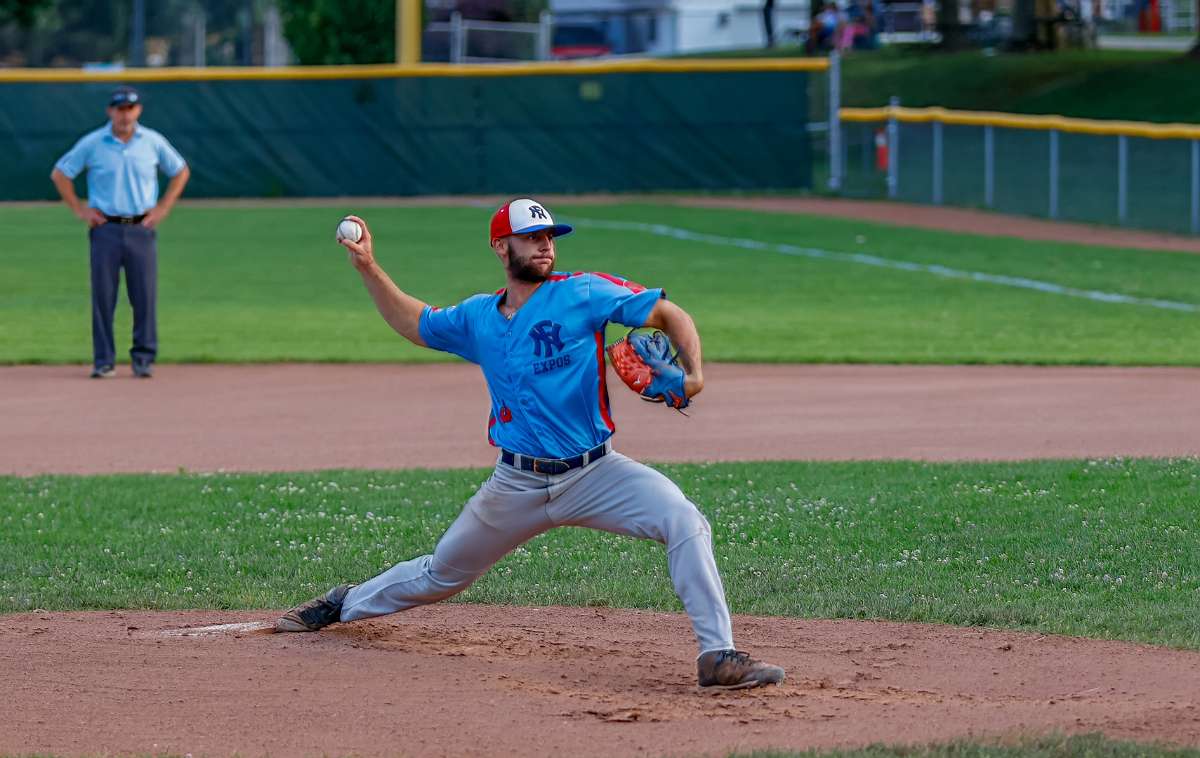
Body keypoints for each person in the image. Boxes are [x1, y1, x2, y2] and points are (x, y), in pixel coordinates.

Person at [275, 199, 786, 690]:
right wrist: (368, 267)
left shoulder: (584, 292)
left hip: (596, 474)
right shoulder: (478, 318)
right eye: (532, 237)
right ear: (502, 246)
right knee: (442, 574)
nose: (545, 245)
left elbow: (670, 314)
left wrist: (694, 374)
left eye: (549, 237)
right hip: (515, 484)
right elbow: (415, 322)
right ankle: (344, 603)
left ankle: (717, 655)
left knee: (684, 520)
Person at [50, 85, 190, 379]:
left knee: (144, 295)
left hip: (141, 227)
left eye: (130, 109)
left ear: (138, 111)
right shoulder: (93, 143)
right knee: (103, 296)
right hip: (106, 228)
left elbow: (180, 170)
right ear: (110, 111)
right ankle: (104, 360)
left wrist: (163, 208)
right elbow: (60, 173)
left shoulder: (151, 141)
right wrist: (80, 210)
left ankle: (143, 358)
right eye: (119, 109)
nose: (125, 115)